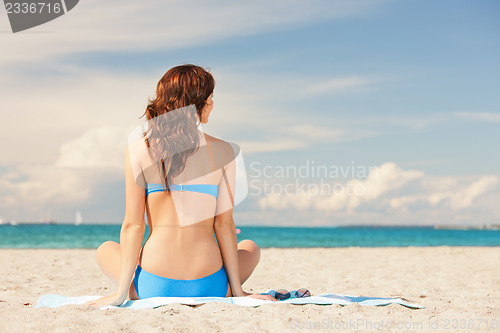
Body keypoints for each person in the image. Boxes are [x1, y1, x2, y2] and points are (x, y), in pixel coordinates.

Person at [85, 64, 277, 308]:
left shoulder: (138, 150)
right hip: (210, 284)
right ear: (198, 103)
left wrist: (120, 293)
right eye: (210, 97)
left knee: (106, 249)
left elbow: (133, 225)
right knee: (251, 247)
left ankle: (129, 287)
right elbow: (224, 224)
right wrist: (237, 291)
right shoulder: (224, 151)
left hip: (153, 285)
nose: (212, 103)